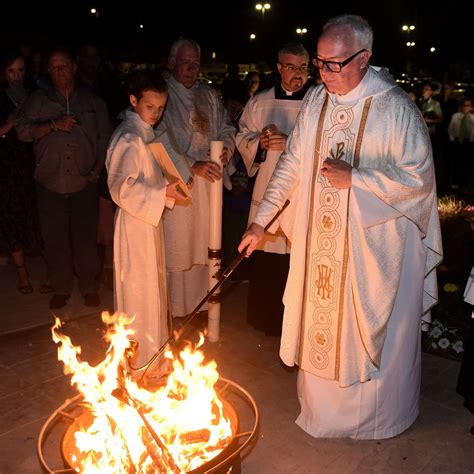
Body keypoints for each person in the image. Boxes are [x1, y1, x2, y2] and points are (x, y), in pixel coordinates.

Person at [238, 14, 443, 439]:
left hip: (377, 252)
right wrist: (261, 221)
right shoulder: (317, 101)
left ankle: (379, 418)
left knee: (369, 336)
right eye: (320, 63)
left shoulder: (396, 109)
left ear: (365, 58)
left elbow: (419, 181)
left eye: (335, 64)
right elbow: (291, 164)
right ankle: (322, 413)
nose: (325, 73)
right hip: (322, 249)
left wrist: (359, 178)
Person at [16, 46, 112, 309]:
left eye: (65, 65)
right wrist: (52, 125)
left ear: (75, 67)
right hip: (49, 182)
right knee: (55, 239)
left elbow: (105, 139)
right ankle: (61, 287)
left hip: (84, 182)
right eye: (55, 66)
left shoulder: (93, 103)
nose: (60, 71)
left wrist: (96, 170)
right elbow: (22, 131)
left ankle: (89, 285)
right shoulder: (38, 100)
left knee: (85, 238)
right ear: (48, 70)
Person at [106, 70, 184, 367]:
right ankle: (139, 362)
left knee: (152, 288)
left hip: (147, 222)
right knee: (139, 291)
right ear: (133, 101)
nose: (156, 113)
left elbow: (148, 178)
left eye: (161, 108)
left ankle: (153, 357)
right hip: (133, 225)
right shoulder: (128, 137)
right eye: (150, 107)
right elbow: (120, 188)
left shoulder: (143, 133)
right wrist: (163, 193)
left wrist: (168, 187)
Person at [155, 38, 236, 318]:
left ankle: (203, 310)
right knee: (180, 245)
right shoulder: (162, 94)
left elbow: (226, 126)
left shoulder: (210, 95)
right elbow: (158, 139)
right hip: (181, 184)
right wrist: (191, 165)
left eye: (196, 64)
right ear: (171, 63)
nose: (191, 69)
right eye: (185, 63)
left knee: (207, 245)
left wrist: (226, 147)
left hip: (210, 185)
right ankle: (176, 310)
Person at [236, 42, 312, 335]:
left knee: (296, 258)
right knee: (267, 253)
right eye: (291, 67)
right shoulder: (260, 101)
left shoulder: (317, 103)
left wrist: (289, 140)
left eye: (303, 67)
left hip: (301, 192)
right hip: (269, 186)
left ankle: (295, 325)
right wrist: (260, 143)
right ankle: (264, 318)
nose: (298, 73)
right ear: (279, 68)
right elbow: (242, 134)